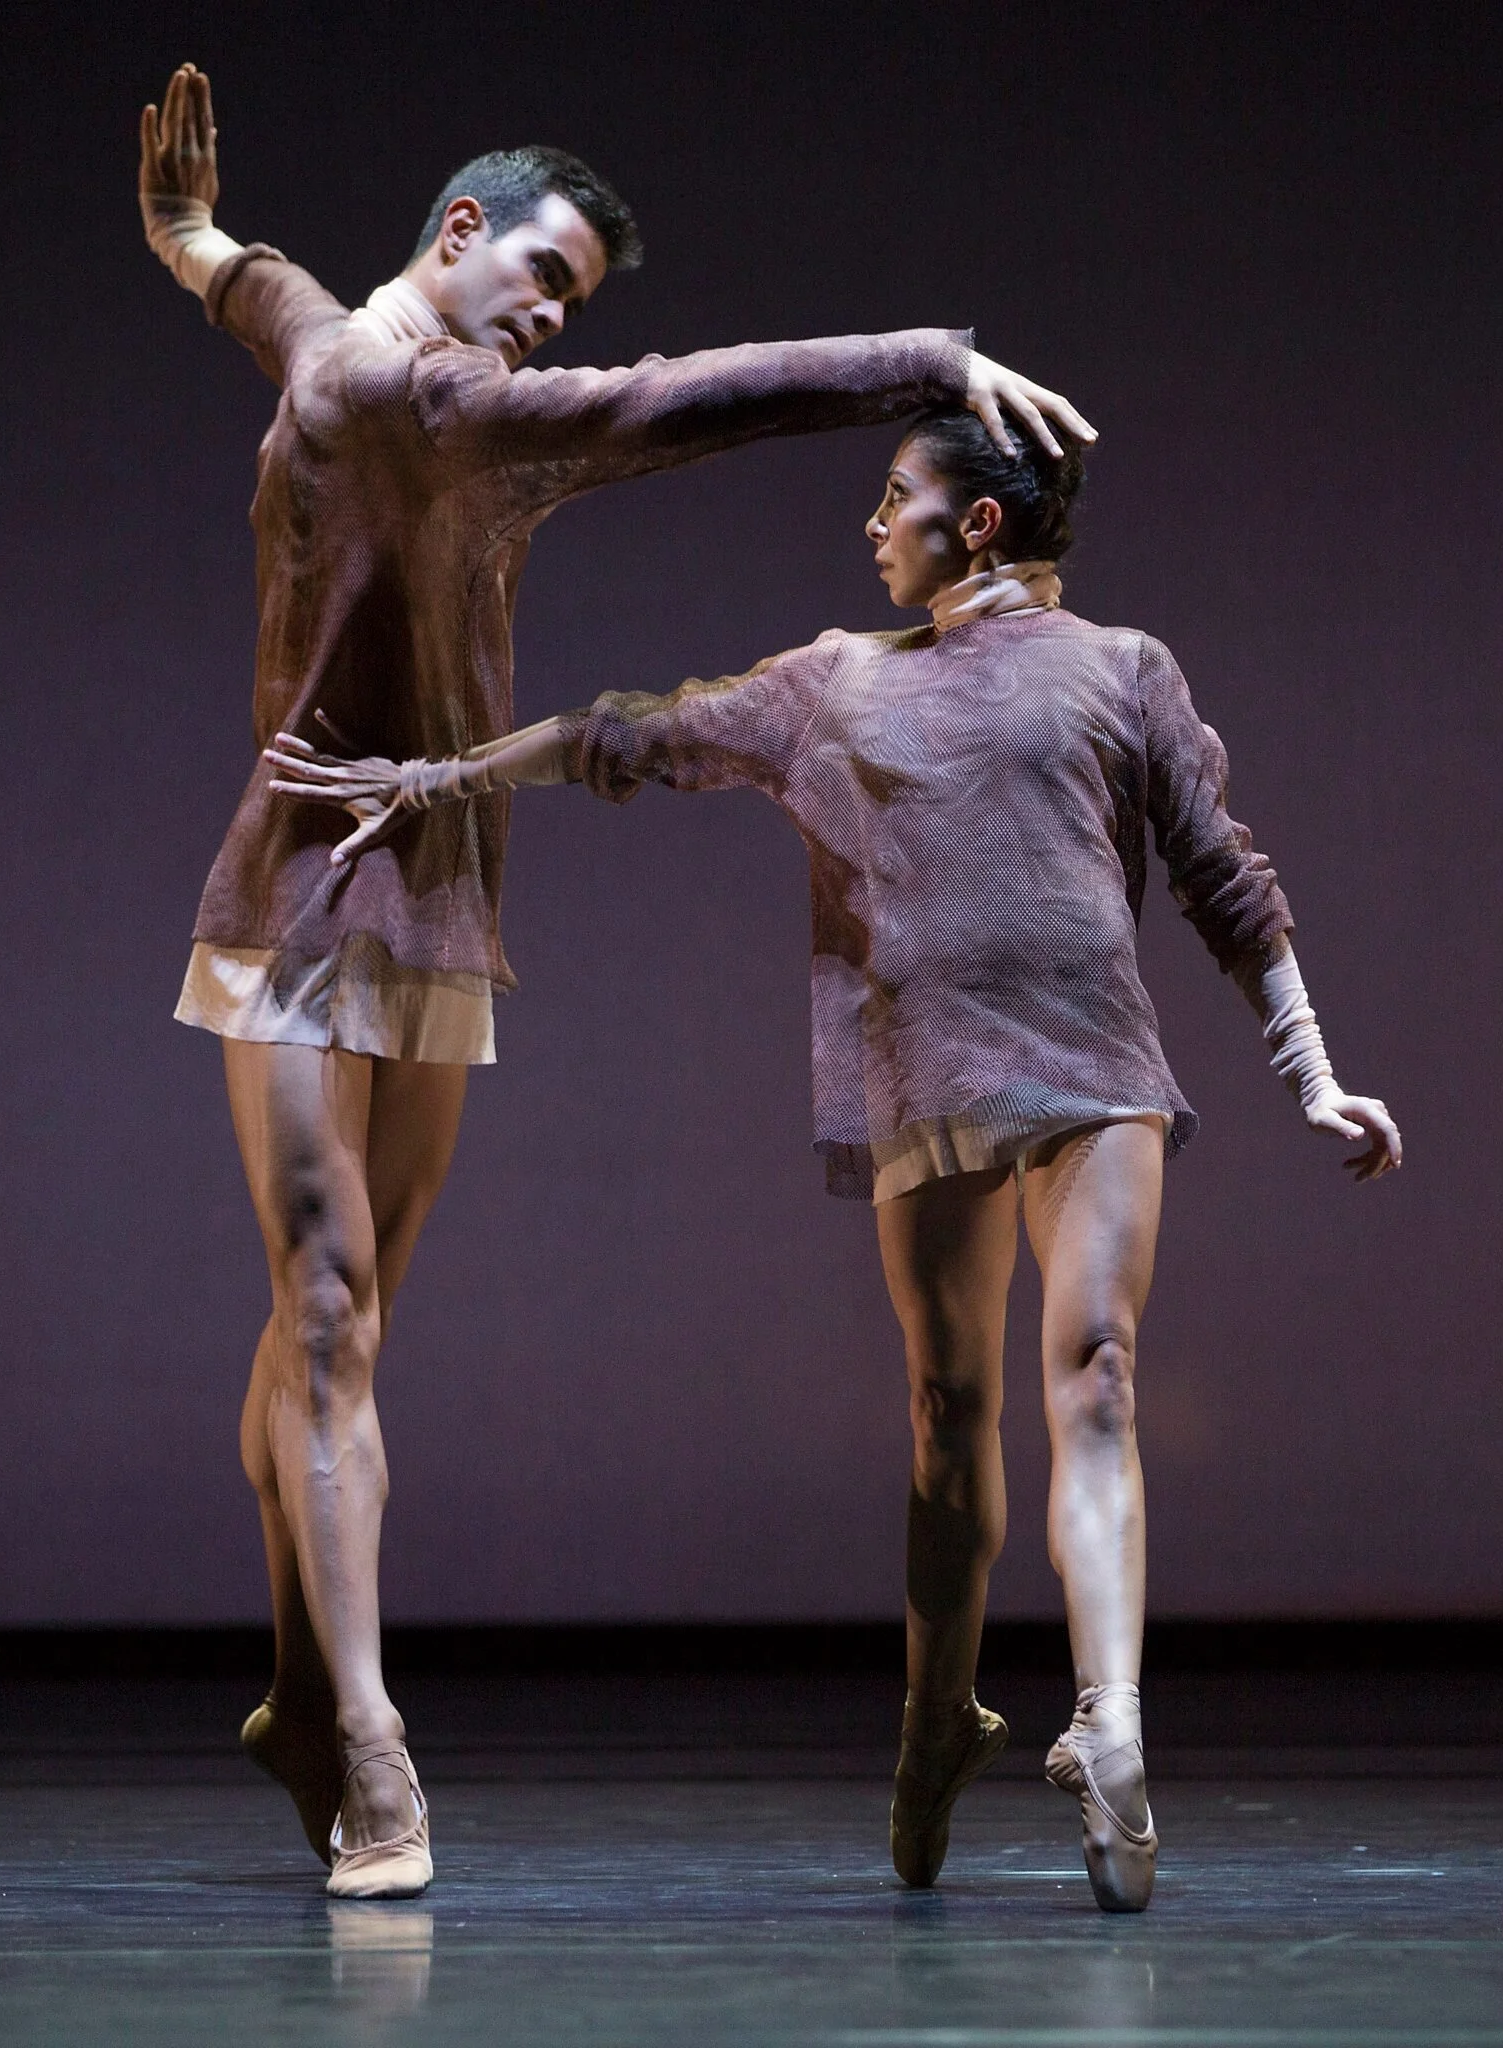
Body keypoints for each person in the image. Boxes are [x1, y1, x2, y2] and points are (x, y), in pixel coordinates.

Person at [138, 62, 1095, 1900]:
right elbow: (678, 406)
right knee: (326, 1316)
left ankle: (289, 1695)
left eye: (577, 304)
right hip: (284, 898)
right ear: (464, 234)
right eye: (550, 283)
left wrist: (185, 231)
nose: (561, 322)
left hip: (436, 902)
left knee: (342, 1327)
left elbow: (245, 276)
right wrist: (921, 361)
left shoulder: (354, 347)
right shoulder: (411, 383)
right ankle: (375, 1753)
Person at [265, 414, 1401, 1914]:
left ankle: (1109, 1724)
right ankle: (938, 1722)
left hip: (1096, 1068)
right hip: (928, 1075)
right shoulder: (834, 682)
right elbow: (632, 733)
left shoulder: (1125, 668)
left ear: (979, 525)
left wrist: (1314, 1077)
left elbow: (1222, 875)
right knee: (949, 1420)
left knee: (1102, 1370)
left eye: (897, 500)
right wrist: (442, 778)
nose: (874, 527)